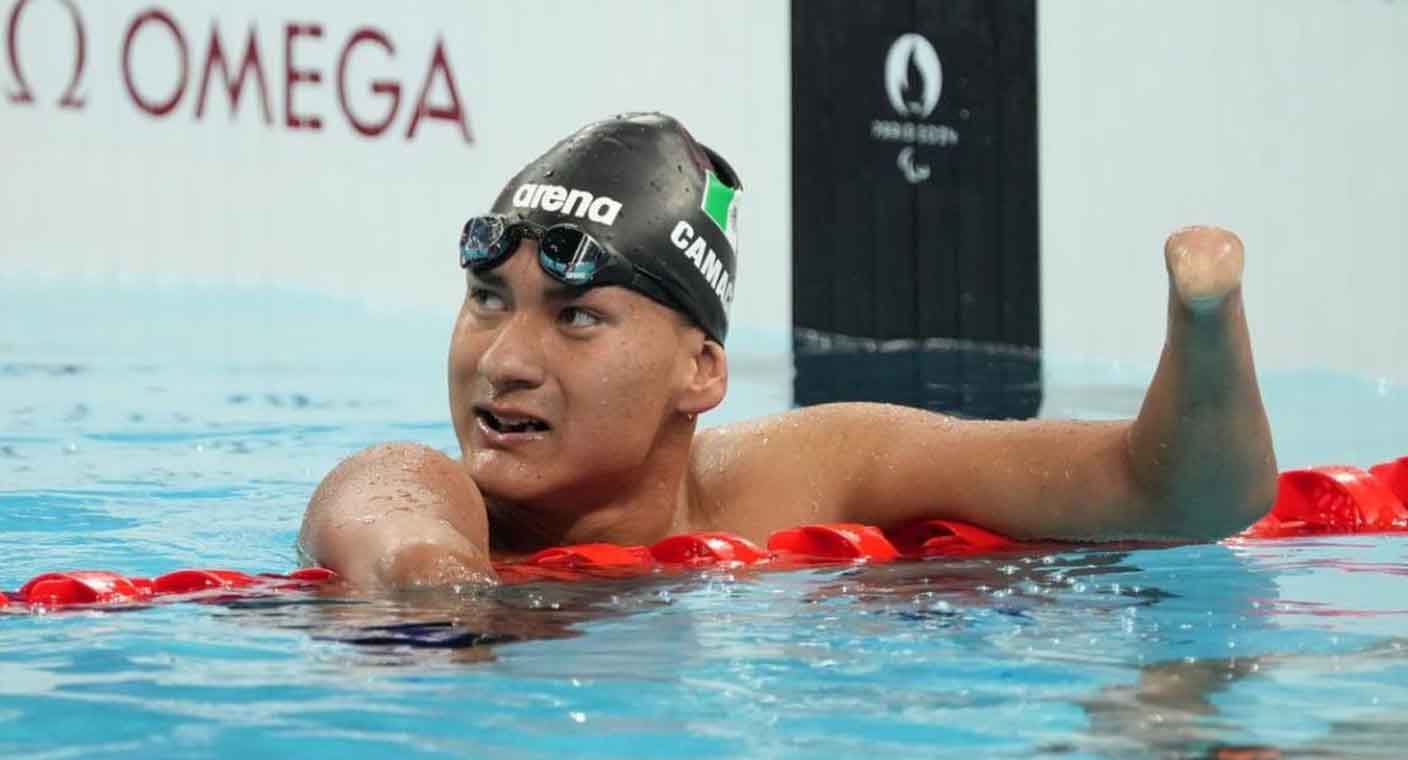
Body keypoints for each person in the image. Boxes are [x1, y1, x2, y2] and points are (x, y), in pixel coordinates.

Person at [298, 112, 1278, 588]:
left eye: (575, 315)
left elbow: (1179, 497)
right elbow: (401, 540)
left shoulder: (823, 468)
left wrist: (1205, 323)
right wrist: (443, 587)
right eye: (485, 299)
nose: (502, 359)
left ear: (702, 371)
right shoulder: (419, 479)